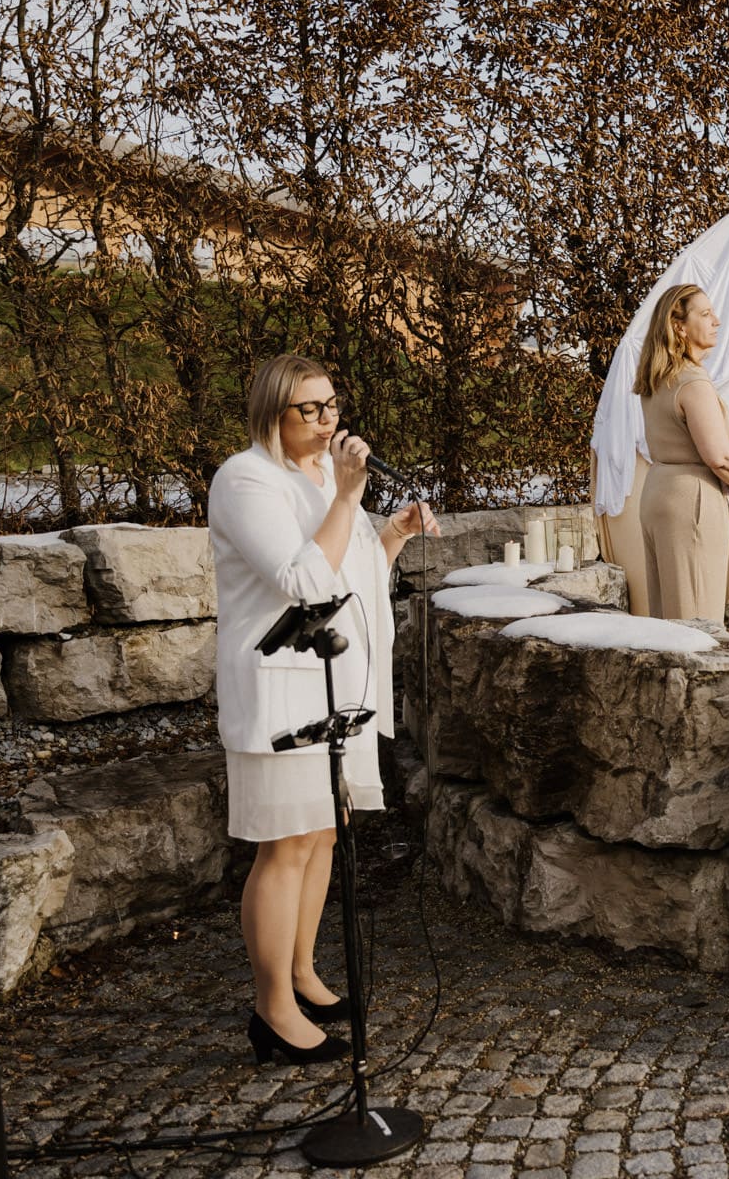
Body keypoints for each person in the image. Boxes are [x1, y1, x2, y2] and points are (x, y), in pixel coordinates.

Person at [208, 354, 437, 1065]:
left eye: (331, 403)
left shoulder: (317, 479)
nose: (327, 418)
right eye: (308, 408)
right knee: (284, 845)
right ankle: (271, 1008)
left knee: (323, 835)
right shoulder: (247, 478)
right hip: (281, 687)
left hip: (337, 689)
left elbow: (350, 572)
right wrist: (346, 499)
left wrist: (389, 535)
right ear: (271, 413)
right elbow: (305, 579)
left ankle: (303, 971)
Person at [633, 283, 729, 621]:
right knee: (696, 620)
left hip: (658, 492)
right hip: (691, 500)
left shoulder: (657, 379)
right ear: (679, 326)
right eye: (705, 313)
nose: (717, 321)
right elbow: (720, 457)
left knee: (667, 617)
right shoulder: (692, 383)